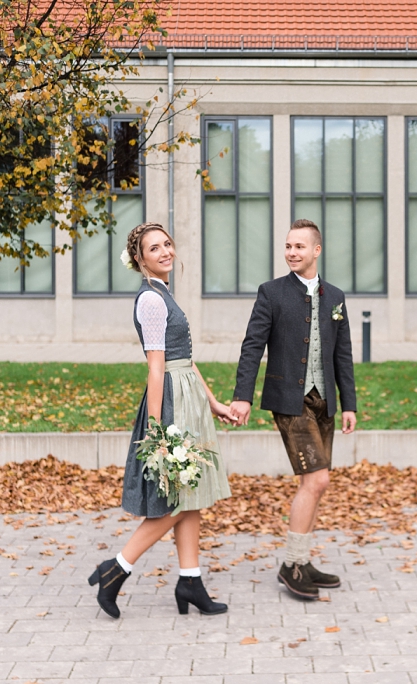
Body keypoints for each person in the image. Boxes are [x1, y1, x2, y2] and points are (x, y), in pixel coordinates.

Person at [89, 222, 235, 618]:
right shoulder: (151, 301)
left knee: (191, 499)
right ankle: (115, 571)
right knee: (175, 501)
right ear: (139, 259)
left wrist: (215, 402)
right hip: (171, 401)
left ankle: (191, 581)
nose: (165, 252)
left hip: (188, 393)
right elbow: (157, 368)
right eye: (155, 248)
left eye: (167, 244)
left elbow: (185, 358)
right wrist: (156, 430)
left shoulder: (163, 294)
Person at [229, 218, 357, 600]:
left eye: (299, 247)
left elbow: (343, 354)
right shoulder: (271, 293)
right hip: (289, 399)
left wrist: (348, 403)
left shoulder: (335, 297)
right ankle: (291, 564)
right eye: (288, 246)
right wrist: (243, 395)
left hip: (325, 402)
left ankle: (302, 560)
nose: (291, 253)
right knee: (318, 480)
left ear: (316, 250)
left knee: (312, 486)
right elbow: (253, 346)